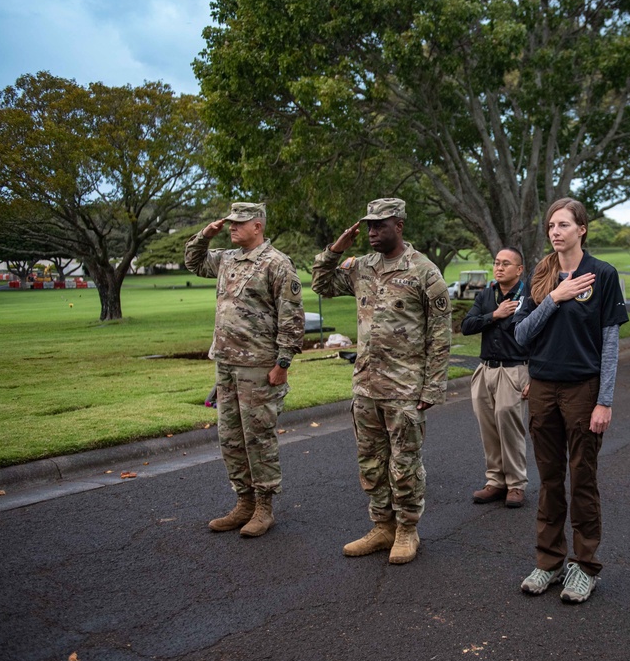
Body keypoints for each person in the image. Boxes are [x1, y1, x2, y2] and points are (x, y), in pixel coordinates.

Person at [311, 198, 451, 565]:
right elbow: (321, 284)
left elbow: (440, 336)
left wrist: (432, 387)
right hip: (366, 385)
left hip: (405, 388)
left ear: (399, 225)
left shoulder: (424, 272)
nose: (372, 231)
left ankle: (407, 529)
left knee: (403, 464)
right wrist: (336, 248)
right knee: (370, 463)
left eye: (380, 225)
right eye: (368, 225)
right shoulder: (361, 267)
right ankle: (382, 526)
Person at [513, 197, 629, 604]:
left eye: (563, 225)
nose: (555, 232)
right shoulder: (542, 274)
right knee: (548, 480)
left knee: (582, 477)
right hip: (543, 387)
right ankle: (549, 562)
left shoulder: (603, 275)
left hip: (584, 389)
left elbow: (610, 344)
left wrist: (605, 400)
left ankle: (585, 566)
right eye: (550, 226)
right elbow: (521, 335)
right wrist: (555, 297)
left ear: (582, 229)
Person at [185, 202, 305, 537]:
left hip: (259, 365)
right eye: (229, 224)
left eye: (239, 224)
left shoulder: (277, 263)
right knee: (230, 437)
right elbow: (193, 262)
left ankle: (264, 508)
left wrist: (283, 363)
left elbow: (292, 317)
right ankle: (243, 502)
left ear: (257, 226)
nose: (231, 228)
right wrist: (204, 235)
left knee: (258, 437)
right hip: (226, 363)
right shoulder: (226, 258)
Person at [461, 247, 531, 509]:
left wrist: (532, 376)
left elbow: (539, 336)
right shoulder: (486, 295)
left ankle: (515, 484)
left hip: (514, 370)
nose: (499, 267)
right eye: (496, 263)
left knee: (510, 426)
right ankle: (495, 481)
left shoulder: (529, 296)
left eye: (506, 263)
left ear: (519, 269)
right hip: (485, 370)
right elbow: (466, 326)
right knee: (488, 427)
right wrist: (495, 315)